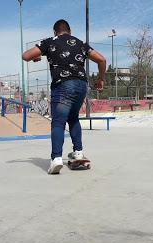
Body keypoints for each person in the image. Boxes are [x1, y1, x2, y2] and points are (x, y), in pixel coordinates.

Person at [22, 19, 106, 174]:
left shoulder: (50, 41)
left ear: (55, 32)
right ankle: (78, 152)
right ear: (70, 31)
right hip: (81, 86)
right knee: (73, 118)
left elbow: (25, 56)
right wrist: (100, 79)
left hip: (62, 85)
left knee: (58, 122)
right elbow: (102, 60)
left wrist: (37, 56)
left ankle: (56, 159)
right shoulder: (80, 43)